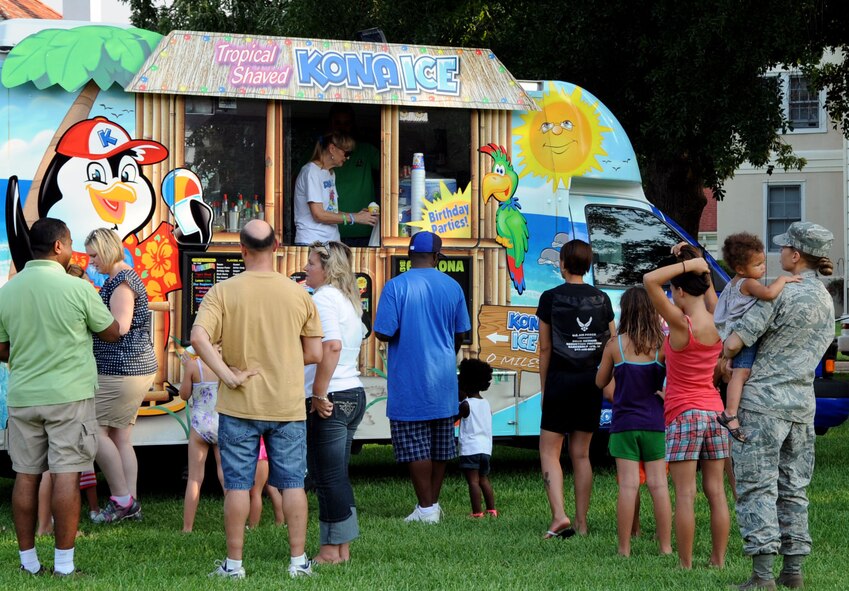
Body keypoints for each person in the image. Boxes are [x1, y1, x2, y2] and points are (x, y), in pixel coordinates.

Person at [191, 219, 323, 580]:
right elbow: (314, 353)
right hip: (287, 403)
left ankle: (234, 566)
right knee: (293, 484)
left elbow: (198, 337)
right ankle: (298, 562)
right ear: (277, 246)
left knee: (237, 485)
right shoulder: (299, 294)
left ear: (242, 250)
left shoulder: (222, 292)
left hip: (238, 404)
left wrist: (228, 374)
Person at [0, 218, 119, 576]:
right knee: (67, 472)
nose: (74, 252)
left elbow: (2, 348)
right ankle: (64, 566)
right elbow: (112, 332)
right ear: (58, 247)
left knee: (25, 475)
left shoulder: (7, 291)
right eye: (70, 244)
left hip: (23, 396)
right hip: (70, 396)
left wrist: (26, 356)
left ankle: (29, 563)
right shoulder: (78, 289)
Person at [724, 222, 834, 590]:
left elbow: (734, 344)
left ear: (797, 255)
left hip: (762, 406)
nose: (780, 253)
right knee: (793, 489)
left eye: (785, 248)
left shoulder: (778, 295)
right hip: (802, 407)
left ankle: (762, 576)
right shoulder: (825, 298)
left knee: (757, 488)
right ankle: (794, 571)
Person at [374, 231, 471, 523]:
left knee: (414, 443)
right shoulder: (453, 287)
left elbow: (383, 331)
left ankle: (426, 508)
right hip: (443, 378)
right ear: (438, 257)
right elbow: (461, 334)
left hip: (409, 378)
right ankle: (431, 505)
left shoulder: (395, 286)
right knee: (440, 444)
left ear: (408, 255)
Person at [643, 244, 730, 570]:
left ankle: (685, 563)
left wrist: (687, 265)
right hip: (715, 411)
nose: (671, 294)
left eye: (673, 291)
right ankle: (718, 562)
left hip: (684, 413)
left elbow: (650, 279)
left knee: (685, 494)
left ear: (679, 291)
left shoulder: (681, 324)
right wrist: (700, 264)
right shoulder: (718, 320)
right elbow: (707, 291)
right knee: (717, 492)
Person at [536, 239, 615, 538]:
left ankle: (559, 516)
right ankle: (581, 523)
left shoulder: (549, 298)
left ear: (563, 264)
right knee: (581, 454)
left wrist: (545, 389)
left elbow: (545, 349)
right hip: (591, 382)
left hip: (559, 380)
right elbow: (612, 343)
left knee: (549, 451)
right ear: (588, 265)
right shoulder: (602, 299)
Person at [86, 228, 158, 524]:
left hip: (121, 369)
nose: (91, 263)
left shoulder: (122, 283)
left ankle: (121, 501)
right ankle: (131, 502)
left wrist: (89, 318)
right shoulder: (124, 277)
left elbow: (121, 326)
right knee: (120, 436)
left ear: (106, 250)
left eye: (93, 255)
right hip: (135, 367)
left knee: (92, 429)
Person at [303, 240, 367, 563]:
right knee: (336, 474)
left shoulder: (325, 297)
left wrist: (318, 393)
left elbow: (332, 347)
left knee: (325, 476)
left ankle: (331, 551)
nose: (306, 268)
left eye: (311, 263)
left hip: (334, 395)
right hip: (353, 392)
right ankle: (341, 548)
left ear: (327, 269)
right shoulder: (347, 299)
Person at [595, 286, 672, 557]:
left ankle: (624, 549)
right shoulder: (663, 344)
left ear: (625, 311)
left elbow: (600, 381)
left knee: (628, 486)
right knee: (658, 485)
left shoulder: (615, 345)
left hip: (624, 423)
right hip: (656, 422)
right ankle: (665, 547)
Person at [714, 232, 800, 443]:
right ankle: (730, 413)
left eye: (763, 263)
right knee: (741, 374)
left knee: (738, 372)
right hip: (742, 338)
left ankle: (730, 410)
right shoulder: (748, 283)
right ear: (741, 269)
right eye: (757, 264)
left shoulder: (734, 282)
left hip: (732, 335)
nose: (763, 267)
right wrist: (783, 280)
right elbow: (770, 294)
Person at [294, 132, 378, 245]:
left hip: (332, 242)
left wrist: (358, 215)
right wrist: (354, 217)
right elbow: (318, 214)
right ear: (332, 148)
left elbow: (330, 210)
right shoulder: (311, 172)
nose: (348, 157)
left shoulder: (330, 173)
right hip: (312, 242)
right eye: (346, 152)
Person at [179, 346, 224, 533]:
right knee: (226, 477)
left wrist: (185, 367)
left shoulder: (193, 365)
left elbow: (184, 395)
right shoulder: (225, 364)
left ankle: (187, 528)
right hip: (221, 422)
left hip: (199, 425)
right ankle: (234, 523)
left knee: (195, 479)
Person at [327, 105, 381, 247]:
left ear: (353, 125)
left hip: (364, 229)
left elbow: (391, 170)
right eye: (337, 123)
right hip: (330, 232)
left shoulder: (366, 150)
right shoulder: (318, 158)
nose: (342, 127)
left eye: (347, 123)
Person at [457, 358, 497, 519]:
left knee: (473, 482)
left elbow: (454, 418)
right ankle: (491, 510)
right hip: (485, 449)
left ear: (464, 383)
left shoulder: (466, 405)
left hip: (470, 448)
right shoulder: (485, 403)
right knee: (483, 480)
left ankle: (477, 513)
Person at [247, 437, 286, 529]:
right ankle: (280, 522)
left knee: (255, 493)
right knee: (271, 488)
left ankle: (252, 526)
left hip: (257, 454)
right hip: (266, 452)